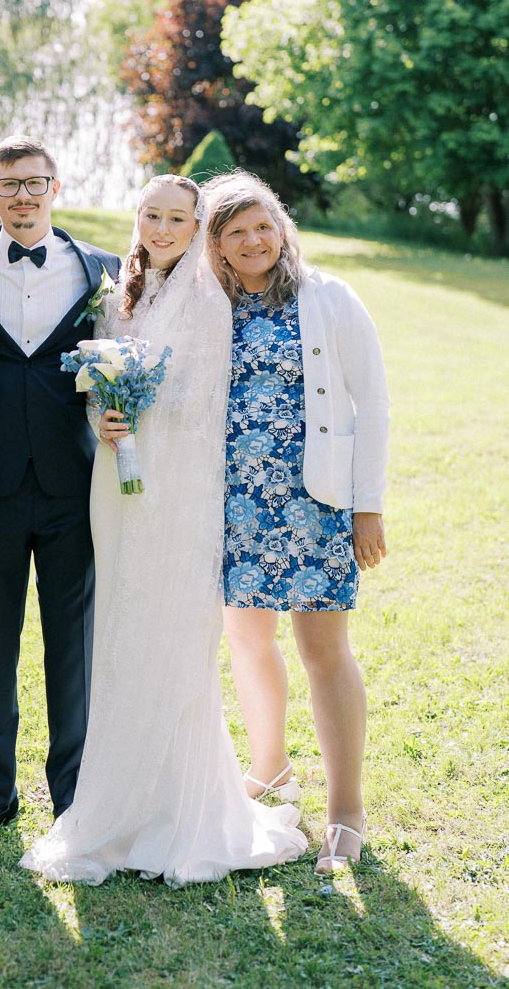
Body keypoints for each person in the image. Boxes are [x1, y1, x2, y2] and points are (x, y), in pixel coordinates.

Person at [21, 176, 307, 885]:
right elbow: (95, 380)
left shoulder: (210, 298)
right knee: (118, 628)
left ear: (195, 224)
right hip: (114, 486)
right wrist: (105, 414)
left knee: (170, 637)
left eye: (178, 218)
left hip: (175, 490)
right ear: (139, 218)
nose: (162, 227)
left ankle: (174, 809)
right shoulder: (124, 290)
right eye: (152, 214)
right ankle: (118, 798)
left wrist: (139, 406)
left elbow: (201, 405)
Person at [203, 169, 389, 875]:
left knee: (323, 651)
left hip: (315, 504)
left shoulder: (327, 298)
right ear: (216, 246)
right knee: (247, 640)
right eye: (236, 231)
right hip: (235, 504)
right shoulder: (210, 307)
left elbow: (371, 404)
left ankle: (346, 812)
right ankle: (272, 769)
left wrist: (366, 508)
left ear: (283, 229)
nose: (254, 240)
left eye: (264, 225)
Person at [0, 137, 122, 844]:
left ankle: (72, 797)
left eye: (34, 183)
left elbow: (126, 354)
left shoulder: (101, 268)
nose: (22, 196)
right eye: (8, 185)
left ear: (55, 187)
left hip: (73, 483)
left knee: (71, 644)